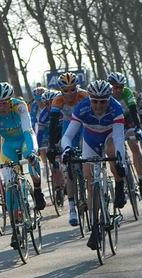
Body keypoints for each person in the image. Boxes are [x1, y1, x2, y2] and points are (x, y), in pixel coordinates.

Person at [60, 79, 127, 249]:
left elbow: (119, 137)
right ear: (90, 99)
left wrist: (121, 160)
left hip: (109, 137)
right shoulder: (81, 108)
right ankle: (96, 226)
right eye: (95, 101)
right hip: (90, 140)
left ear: (108, 100)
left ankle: (119, 184)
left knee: (113, 154)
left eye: (102, 102)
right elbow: (67, 136)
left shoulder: (116, 108)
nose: (98, 105)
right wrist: (67, 149)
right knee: (90, 181)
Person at [0, 81, 41, 249]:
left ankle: (37, 190)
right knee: (9, 185)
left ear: (10, 100)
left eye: (5, 102)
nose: (2, 106)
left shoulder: (19, 106)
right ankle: (15, 229)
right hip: (8, 145)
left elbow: (28, 130)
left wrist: (32, 154)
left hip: (24, 141)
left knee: (31, 160)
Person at [47, 72, 90, 225]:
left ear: (77, 88)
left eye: (73, 89)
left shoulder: (84, 95)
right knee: (70, 166)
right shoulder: (57, 100)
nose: (70, 93)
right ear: (61, 90)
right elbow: (52, 126)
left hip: (84, 126)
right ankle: (72, 208)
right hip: (68, 127)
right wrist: (52, 146)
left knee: (89, 159)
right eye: (66, 90)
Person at [108, 72, 142, 199]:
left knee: (134, 145)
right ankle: (119, 182)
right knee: (112, 152)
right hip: (112, 122)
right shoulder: (106, 95)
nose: (119, 90)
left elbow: (133, 110)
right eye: (115, 87)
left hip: (127, 120)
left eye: (121, 86)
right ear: (110, 87)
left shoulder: (127, 92)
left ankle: (141, 183)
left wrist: (138, 128)